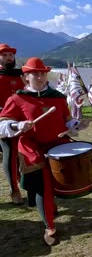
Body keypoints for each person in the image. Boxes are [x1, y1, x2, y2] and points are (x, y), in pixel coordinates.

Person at [0, 57, 85, 245]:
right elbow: (3, 124)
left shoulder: (58, 97)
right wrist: (18, 124)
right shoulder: (17, 98)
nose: (39, 77)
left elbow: (67, 121)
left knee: (58, 181)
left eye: (42, 73)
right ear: (26, 77)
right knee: (43, 186)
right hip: (32, 146)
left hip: (56, 144)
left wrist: (76, 124)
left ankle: (47, 204)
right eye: (34, 74)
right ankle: (49, 227)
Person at [0, 43, 25, 205]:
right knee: (9, 151)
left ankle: (26, 182)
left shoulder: (20, 75)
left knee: (24, 152)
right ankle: (14, 189)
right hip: (2, 120)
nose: (9, 58)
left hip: (23, 119)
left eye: (11, 55)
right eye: (5, 55)